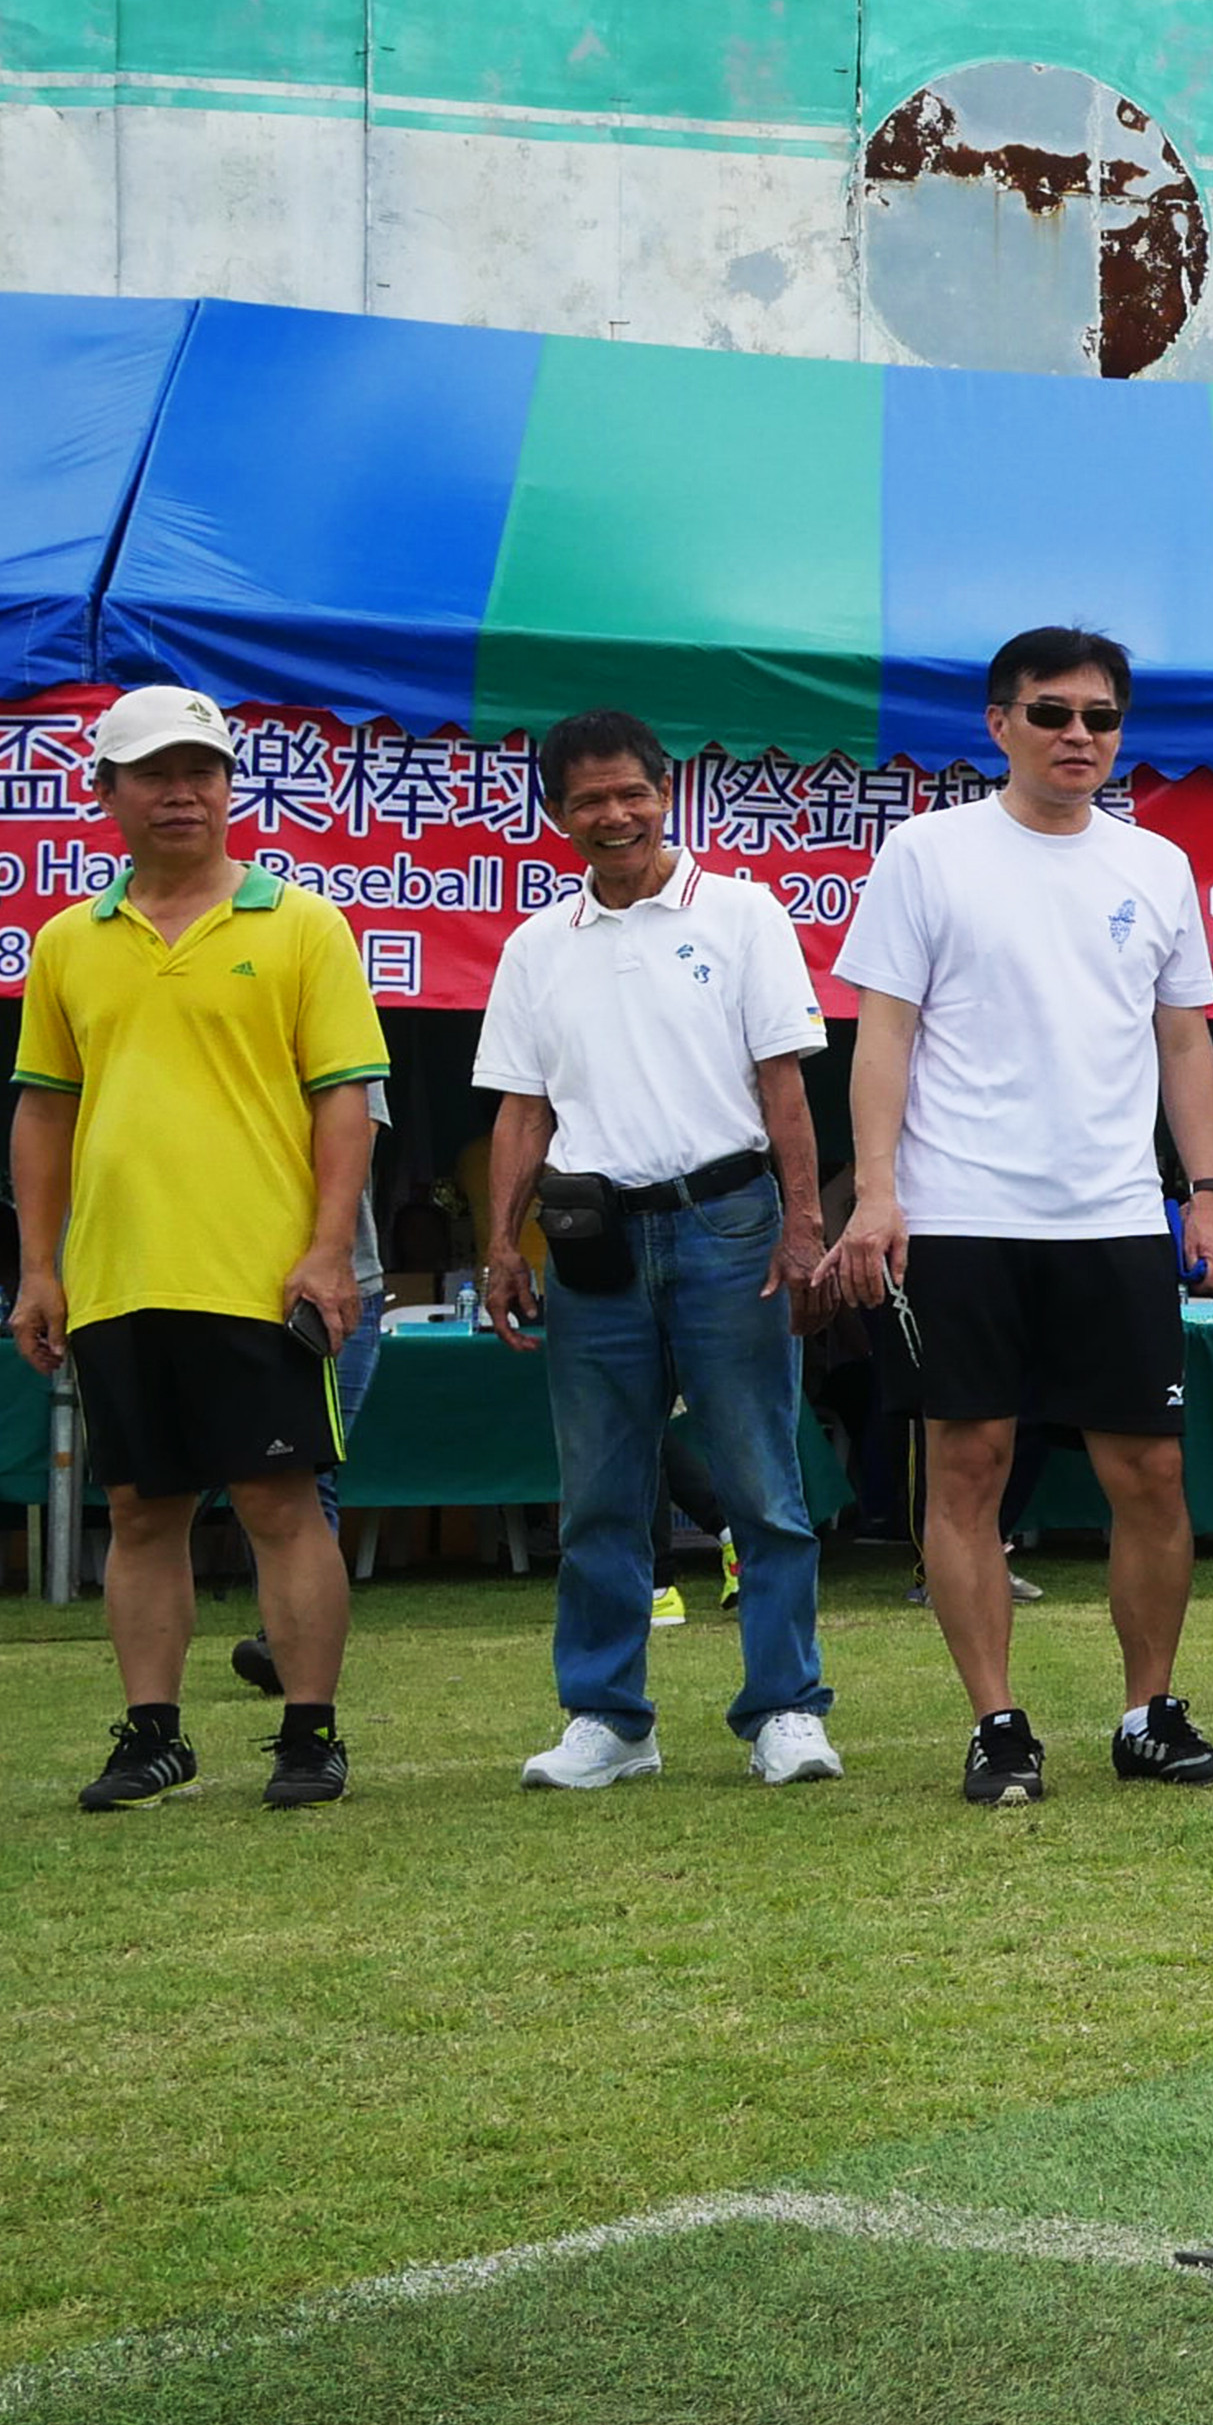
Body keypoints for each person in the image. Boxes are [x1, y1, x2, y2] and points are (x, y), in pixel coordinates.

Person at [829, 630, 1213, 1802]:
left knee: (1150, 1475)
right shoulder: (926, 851)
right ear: (998, 723)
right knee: (966, 1465)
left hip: (1114, 1217)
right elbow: (886, 1032)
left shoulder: (1155, 865)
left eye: (1101, 718)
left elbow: (1181, 1040)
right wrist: (875, 1194)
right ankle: (996, 1724)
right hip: (960, 1211)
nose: (1079, 737)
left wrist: (1204, 1193)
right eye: (1053, 714)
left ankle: (1148, 1714)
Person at [21, 685, 388, 1813]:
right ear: (107, 793)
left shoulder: (302, 924)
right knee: (139, 1513)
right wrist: (42, 1266)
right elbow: (44, 1111)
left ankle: (310, 1733)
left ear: (230, 785)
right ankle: (152, 1736)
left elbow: (346, 1103)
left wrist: (329, 1251)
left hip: (258, 1274)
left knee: (280, 1503)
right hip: (119, 1279)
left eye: (202, 770)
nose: (180, 791)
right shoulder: (68, 941)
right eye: (152, 773)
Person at [472, 708, 840, 1792]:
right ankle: (609, 1717)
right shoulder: (538, 944)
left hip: (731, 1220)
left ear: (664, 791)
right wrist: (500, 1240)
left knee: (760, 1481)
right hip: (591, 1241)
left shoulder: (740, 913)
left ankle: (785, 1707)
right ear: (556, 816)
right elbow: (521, 1112)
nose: (614, 815)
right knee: (599, 1492)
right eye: (587, 799)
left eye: (630, 792)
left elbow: (786, 1086)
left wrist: (806, 1220)